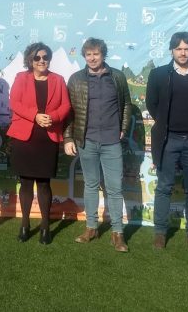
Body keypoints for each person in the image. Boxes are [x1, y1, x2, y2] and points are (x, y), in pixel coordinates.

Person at [64, 37, 132, 253]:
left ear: (103, 55)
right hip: (87, 140)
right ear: (84, 56)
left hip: (112, 141)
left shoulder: (117, 77)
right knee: (91, 185)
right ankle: (91, 228)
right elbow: (69, 111)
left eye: (96, 54)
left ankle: (117, 233)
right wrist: (68, 138)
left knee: (114, 188)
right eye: (89, 54)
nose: (92, 58)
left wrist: (123, 127)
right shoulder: (75, 79)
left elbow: (127, 104)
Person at [146, 31, 188, 253]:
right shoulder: (158, 74)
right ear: (171, 50)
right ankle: (160, 233)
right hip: (169, 139)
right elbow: (152, 103)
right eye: (178, 49)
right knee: (164, 187)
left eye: (186, 48)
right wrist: (165, 123)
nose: (183, 53)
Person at [7, 42, 71, 245]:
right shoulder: (21, 78)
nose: (42, 60)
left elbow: (66, 105)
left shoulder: (58, 80)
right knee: (25, 183)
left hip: (48, 137)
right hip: (24, 137)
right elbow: (14, 102)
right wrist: (35, 116)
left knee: (44, 184)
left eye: (45, 57)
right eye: (37, 57)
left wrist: (52, 117)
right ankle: (24, 224)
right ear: (30, 60)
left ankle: (45, 226)